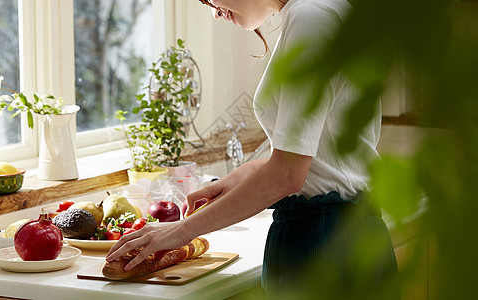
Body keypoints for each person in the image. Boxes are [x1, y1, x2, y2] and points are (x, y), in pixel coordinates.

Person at [107, 0, 399, 298]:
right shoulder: (321, 10)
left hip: (323, 242)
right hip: (343, 234)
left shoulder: (311, 17)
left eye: (209, 0)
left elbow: (289, 174)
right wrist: (239, 177)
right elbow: (321, 158)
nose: (214, 12)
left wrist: (181, 230)